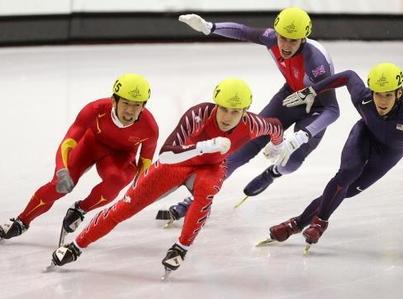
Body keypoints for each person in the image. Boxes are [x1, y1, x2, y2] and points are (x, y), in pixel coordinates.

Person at [50, 78, 284, 274]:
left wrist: (276, 147)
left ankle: (181, 247)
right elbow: (166, 155)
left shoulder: (252, 124)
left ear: (245, 112)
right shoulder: (199, 114)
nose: (227, 117)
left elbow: (275, 127)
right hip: (178, 163)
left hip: (210, 168)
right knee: (126, 207)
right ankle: (76, 246)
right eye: (223, 109)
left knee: (206, 192)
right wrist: (207, 145)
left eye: (235, 112)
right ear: (215, 105)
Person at [161, 7, 339, 222]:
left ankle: (272, 173)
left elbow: (332, 109)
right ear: (277, 33)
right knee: (244, 145)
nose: (286, 45)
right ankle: (197, 200)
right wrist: (210, 28)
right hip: (291, 95)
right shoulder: (272, 39)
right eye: (283, 38)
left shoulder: (316, 64)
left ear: (304, 38)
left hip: (317, 109)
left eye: (293, 40)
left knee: (291, 162)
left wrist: (302, 135)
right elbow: (244, 31)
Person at [265, 62, 403, 249]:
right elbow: (349, 76)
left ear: (399, 93)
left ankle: (296, 223)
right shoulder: (364, 98)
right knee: (346, 174)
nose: (382, 101)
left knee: (349, 190)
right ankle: (318, 223)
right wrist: (313, 90)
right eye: (377, 93)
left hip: (389, 153)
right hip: (364, 135)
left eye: (388, 95)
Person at [0, 73, 159, 243]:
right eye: (125, 103)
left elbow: (144, 166)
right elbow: (68, 142)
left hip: (119, 157)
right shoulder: (95, 109)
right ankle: (21, 221)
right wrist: (62, 170)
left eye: (136, 105)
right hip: (89, 146)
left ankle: (81, 210)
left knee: (117, 179)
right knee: (59, 187)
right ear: (114, 101)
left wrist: (136, 192)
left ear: (143, 106)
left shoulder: (150, 128)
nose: (129, 111)